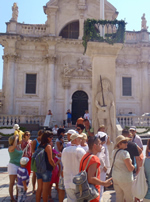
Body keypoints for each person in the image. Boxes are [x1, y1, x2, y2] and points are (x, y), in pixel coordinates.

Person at [79, 136, 113, 202]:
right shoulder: (94, 158)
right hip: (92, 194)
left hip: (84, 192)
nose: (101, 146)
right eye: (100, 144)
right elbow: (91, 178)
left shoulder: (85, 156)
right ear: (95, 146)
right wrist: (104, 183)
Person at [61, 133, 86, 201]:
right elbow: (85, 165)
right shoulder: (80, 151)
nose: (81, 140)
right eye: (79, 139)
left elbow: (63, 163)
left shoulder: (64, 150)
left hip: (67, 180)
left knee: (70, 199)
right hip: (78, 180)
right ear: (75, 140)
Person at [112, 135, 135, 202]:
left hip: (116, 177)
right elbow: (130, 168)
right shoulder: (125, 153)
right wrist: (134, 166)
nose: (127, 143)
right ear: (120, 144)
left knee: (119, 197)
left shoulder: (114, 152)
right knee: (129, 198)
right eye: (125, 142)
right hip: (125, 179)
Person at [36, 131, 56, 202]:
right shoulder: (48, 146)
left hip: (38, 169)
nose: (51, 138)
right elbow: (50, 159)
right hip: (46, 169)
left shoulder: (39, 145)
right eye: (50, 137)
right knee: (45, 189)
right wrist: (54, 166)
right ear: (47, 138)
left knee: (39, 188)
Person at [8, 135, 23, 202]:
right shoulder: (11, 147)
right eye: (16, 140)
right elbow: (14, 145)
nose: (17, 141)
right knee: (12, 182)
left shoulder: (18, 147)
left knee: (19, 182)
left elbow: (22, 141)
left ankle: (17, 195)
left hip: (19, 165)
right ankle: (12, 198)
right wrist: (16, 137)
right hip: (13, 165)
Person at [96, 132, 110, 201]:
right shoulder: (102, 147)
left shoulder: (97, 145)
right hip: (101, 168)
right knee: (100, 188)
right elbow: (101, 158)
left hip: (97, 167)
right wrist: (104, 166)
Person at [31, 129, 43, 194]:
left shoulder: (43, 141)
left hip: (41, 159)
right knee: (34, 174)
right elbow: (32, 150)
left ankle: (40, 187)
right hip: (36, 158)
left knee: (40, 174)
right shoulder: (35, 141)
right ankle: (33, 187)